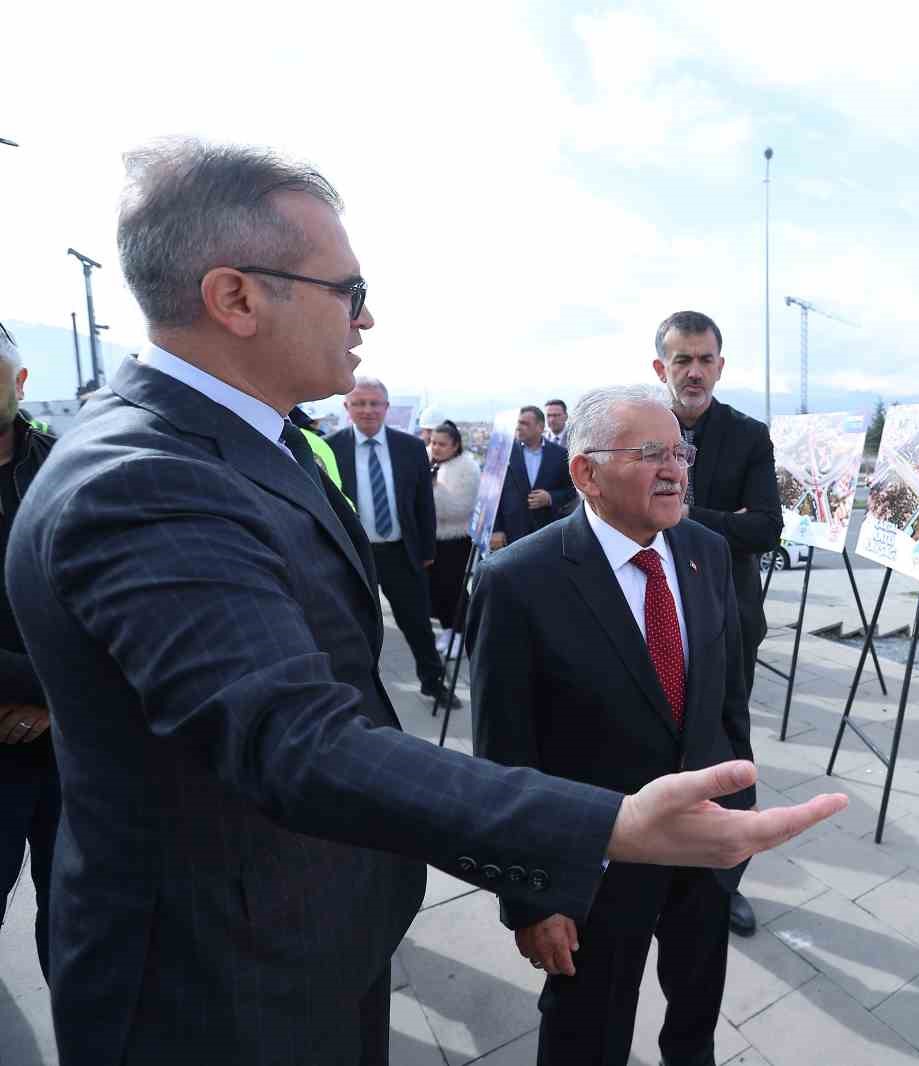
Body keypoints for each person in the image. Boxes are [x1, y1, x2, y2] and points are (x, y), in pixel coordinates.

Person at [4, 139, 845, 1066]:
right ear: (234, 297)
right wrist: (603, 830)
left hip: (312, 940)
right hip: (221, 986)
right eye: (348, 292)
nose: (368, 319)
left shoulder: (253, 444)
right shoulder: (144, 480)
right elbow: (299, 742)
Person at [471, 384, 754, 1066]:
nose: (676, 470)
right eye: (651, 452)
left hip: (706, 850)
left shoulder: (705, 552)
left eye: (679, 452)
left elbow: (728, 699)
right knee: (586, 1033)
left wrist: (740, 809)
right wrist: (531, 900)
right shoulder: (517, 582)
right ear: (585, 473)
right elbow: (504, 758)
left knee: (696, 1020)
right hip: (595, 868)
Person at [652, 311, 781, 938]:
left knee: (727, 741)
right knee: (655, 734)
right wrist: (718, 519)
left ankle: (725, 878)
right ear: (661, 368)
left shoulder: (749, 436)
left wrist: (674, 512)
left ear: (721, 366)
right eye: (682, 360)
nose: (694, 371)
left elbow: (765, 528)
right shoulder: (638, 430)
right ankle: (654, 853)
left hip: (729, 615)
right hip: (650, 609)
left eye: (705, 359)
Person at [329, 377, 456, 708]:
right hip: (356, 555)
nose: (367, 410)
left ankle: (433, 683)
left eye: (374, 403)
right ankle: (357, 695)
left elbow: (423, 504)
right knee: (354, 628)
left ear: (386, 408)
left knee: (416, 622)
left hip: (402, 553)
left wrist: (428, 551)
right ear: (347, 408)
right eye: (359, 403)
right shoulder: (331, 448)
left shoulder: (411, 447)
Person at [0, 321, 59, 984]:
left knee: (72, 916)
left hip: (67, 742)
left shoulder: (67, 470)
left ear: (19, 382)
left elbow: (107, 608)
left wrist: (52, 702)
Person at [428, 419, 480, 655]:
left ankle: (462, 633)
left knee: (454, 588)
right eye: (433, 442)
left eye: (442, 444)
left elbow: (460, 508)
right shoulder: (428, 461)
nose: (435, 448)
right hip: (432, 537)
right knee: (437, 588)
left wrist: (434, 490)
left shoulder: (466, 468)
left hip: (456, 538)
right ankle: (449, 629)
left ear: (455, 445)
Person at [491, 404, 575, 548]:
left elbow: (571, 490)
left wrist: (550, 498)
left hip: (547, 533)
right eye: (518, 423)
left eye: (524, 423)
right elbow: (492, 493)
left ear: (540, 427)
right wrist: (496, 529)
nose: (518, 427)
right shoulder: (503, 453)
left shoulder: (560, 454)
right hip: (511, 535)